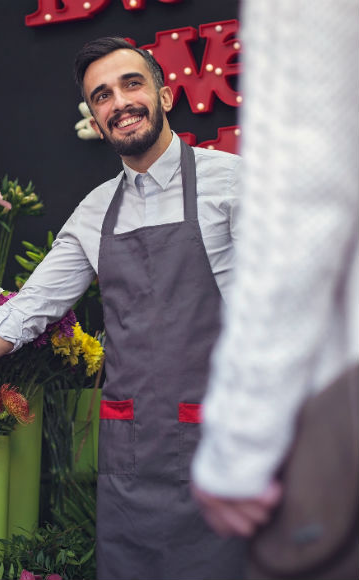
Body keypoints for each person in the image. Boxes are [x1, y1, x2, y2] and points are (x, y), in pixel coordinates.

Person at [0, 37, 245, 579]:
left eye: (132, 84)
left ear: (164, 94)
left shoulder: (233, 184)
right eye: (102, 95)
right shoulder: (94, 212)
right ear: (98, 117)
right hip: (132, 455)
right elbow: (26, 312)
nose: (119, 102)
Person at [191, 0, 358, 576]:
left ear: (167, 94)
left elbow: (302, 211)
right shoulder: (94, 208)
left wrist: (239, 444)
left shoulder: (222, 177)